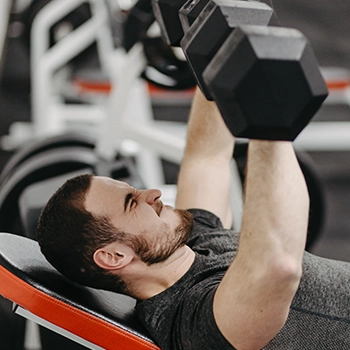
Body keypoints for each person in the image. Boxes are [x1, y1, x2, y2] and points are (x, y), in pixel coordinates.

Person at [37, 88, 350, 349]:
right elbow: (277, 266)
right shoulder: (191, 323)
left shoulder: (192, 242)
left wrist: (217, 47)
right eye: (133, 202)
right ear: (114, 256)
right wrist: (267, 124)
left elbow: (206, 156)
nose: (153, 193)